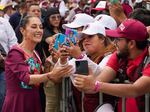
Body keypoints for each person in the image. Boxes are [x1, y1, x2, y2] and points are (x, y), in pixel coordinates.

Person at [74, 19, 150, 112]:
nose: (114, 43)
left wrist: (95, 85)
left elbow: (135, 90)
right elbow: (95, 84)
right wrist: (88, 83)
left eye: (118, 39)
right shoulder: (119, 56)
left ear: (131, 43)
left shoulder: (148, 60)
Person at [2, 15, 73, 112]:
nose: (39, 30)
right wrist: (51, 74)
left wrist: (52, 60)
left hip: (34, 101)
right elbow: (27, 78)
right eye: (34, 27)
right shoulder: (15, 52)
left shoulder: (35, 53)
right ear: (23, 30)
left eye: (41, 27)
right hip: (18, 103)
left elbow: (41, 76)